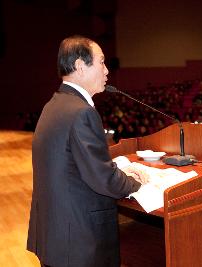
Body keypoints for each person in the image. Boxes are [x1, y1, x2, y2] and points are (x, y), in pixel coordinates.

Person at [27, 36, 148, 267]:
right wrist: (136, 181)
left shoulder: (54, 104)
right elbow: (103, 179)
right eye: (101, 62)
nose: (106, 71)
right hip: (79, 242)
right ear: (81, 67)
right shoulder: (81, 112)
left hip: (57, 237)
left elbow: (72, 165)